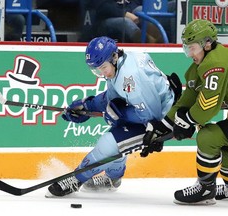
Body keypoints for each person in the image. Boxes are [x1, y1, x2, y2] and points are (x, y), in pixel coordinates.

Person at [141, 19, 228, 205]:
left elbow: (208, 106)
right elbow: (186, 101)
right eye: (187, 48)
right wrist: (162, 126)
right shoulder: (198, 67)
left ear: (207, 44)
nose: (189, 53)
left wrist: (186, 122)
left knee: (208, 137)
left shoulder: (216, 63)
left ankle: (205, 188)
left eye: (192, 48)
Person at [45, 36, 181, 197]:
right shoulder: (122, 62)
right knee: (114, 137)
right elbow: (114, 95)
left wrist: (120, 115)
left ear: (114, 57)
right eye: (97, 69)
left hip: (161, 123)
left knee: (108, 144)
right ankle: (112, 179)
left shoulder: (130, 77)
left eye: (103, 67)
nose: (102, 73)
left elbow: (152, 115)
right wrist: (87, 105)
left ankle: (76, 179)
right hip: (155, 110)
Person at [78, 0, 160, 43]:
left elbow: (135, 2)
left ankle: (160, 40)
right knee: (126, 23)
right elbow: (102, 7)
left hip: (128, 13)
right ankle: (149, 44)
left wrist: (130, 11)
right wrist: (124, 13)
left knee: (142, 10)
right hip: (104, 20)